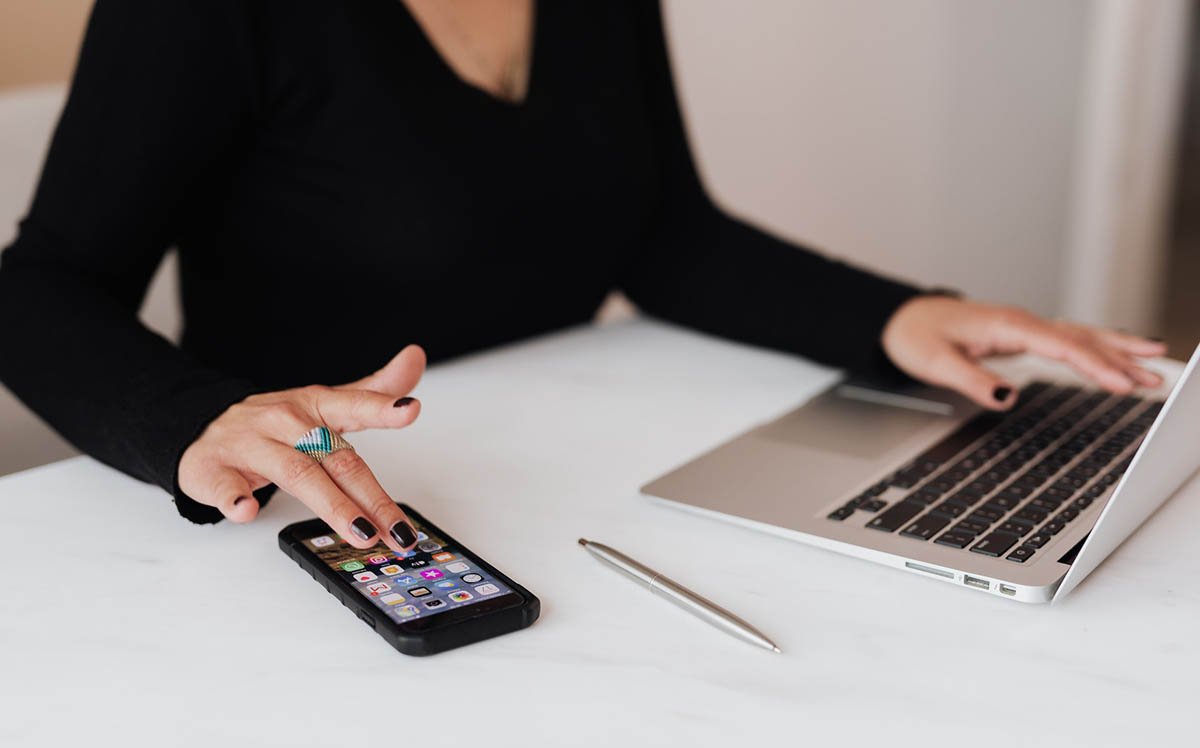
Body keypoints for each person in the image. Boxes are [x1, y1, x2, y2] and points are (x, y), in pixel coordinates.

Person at [0, 0, 1165, 556]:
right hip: (321, 525)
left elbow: (659, 231)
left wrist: (901, 315)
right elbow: (37, 290)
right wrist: (196, 421)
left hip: (577, 494)